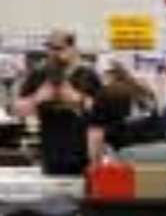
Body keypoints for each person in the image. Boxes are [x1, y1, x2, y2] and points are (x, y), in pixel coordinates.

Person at [14, 30, 101, 176]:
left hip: (82, 152)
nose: (53, 53)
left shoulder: (88, 75)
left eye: (58, 48)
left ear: (72, 49)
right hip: (50, 153)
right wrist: (37, 98)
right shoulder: (39, 74)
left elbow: (101, 112)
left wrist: (78, 98)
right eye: (50, 48)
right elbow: (18, 110)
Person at [86, 59, 165, 164]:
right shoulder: (144, 89)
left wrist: (95, 163)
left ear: (106, 75)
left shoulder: (105, 93)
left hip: (130, 154)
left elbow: (96, 134)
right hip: (162, 151)